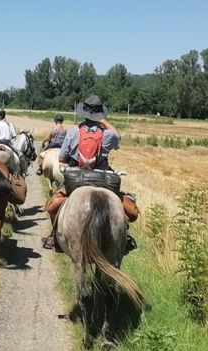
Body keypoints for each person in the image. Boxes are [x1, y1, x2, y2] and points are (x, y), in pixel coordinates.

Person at [43, 95, 139, 251]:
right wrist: (104, 122)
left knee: (53, 205)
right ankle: (124, 238)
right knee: (125, 208)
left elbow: (62, 158)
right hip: (104, 179)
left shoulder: (73, 132)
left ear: (84, 113)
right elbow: (118, 137)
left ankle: (55, 236)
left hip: (77, 178)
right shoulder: (108, 135)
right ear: (100, 114)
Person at [0, 108, 27, 174]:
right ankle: (24, 171)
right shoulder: (9, 124)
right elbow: (14, 136)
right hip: (8, 143)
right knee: (20, 154)